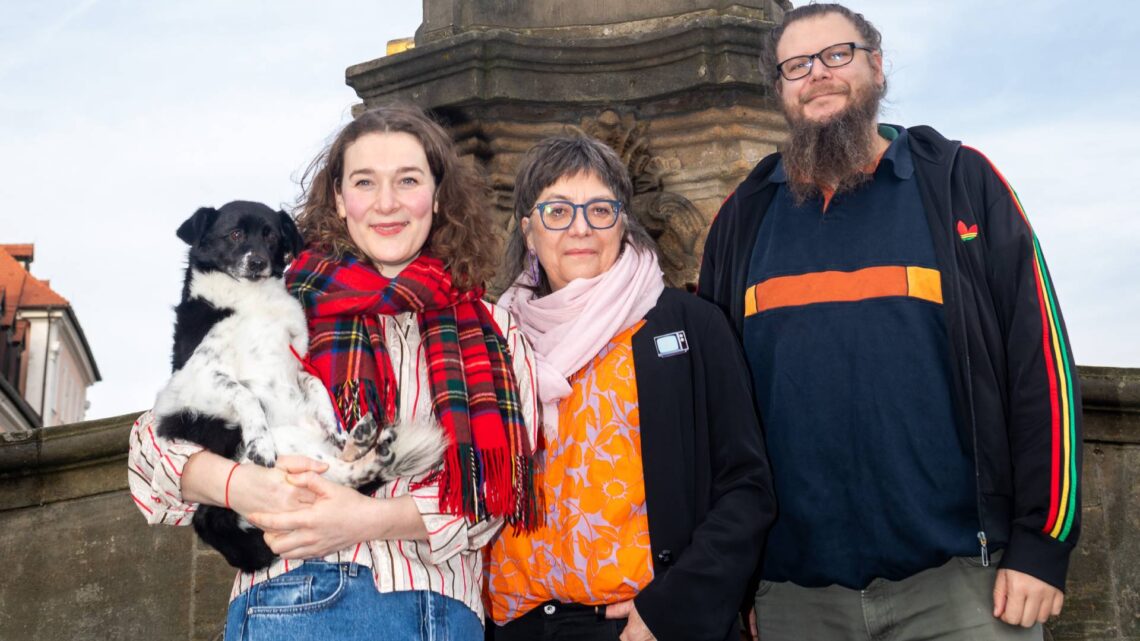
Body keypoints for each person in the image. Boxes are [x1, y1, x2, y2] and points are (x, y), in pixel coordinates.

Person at [698, 4, 1081, 640]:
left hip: (965, 587)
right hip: (795, 598)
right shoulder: (744, 216)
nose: (817, 74)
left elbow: (1040, 366)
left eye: (837, 55)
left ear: (877, 66)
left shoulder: (960, 183)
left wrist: (1042, 545)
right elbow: (713, 409)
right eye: (796, 65)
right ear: (780, 91)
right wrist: (733, 580)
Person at [128, 104, 541, 641]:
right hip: (288, 600)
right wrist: (242, 486)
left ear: (437, 197)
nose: (387, 202)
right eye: (365, 182)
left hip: (434, 612)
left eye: (408, 180)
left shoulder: (494, 328)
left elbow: (493, 494)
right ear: (340, 200)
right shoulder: (273, 307)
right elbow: (149, 451)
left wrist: (362, 519)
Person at [487, 134, 775, 641]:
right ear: (529, 231)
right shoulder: (495, 341)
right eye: (557, 211)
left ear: (623, 222)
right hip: (522, 627)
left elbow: (746, 488)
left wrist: (674, 608)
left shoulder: (692, 327)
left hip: (646, 628)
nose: (580, 228)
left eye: (600, 209)